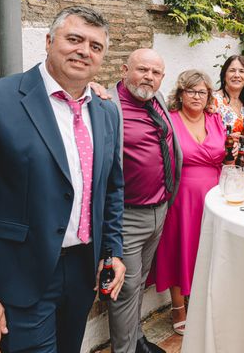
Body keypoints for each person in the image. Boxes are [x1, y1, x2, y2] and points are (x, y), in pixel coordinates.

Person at [0, 6, 125, 352]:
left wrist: (112, 251)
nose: (84, 51)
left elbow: (111, 189)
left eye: (95, 46)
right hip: (21, 273)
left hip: (83, 271)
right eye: (74, 39)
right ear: (48, 41)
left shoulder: (106, 110)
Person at [107, 49, 183, 353]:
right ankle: (123, 349)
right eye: (142, 70)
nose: (148, 77)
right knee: (125, 289)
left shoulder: (157, 98)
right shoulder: (108, 105)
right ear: (125, 70)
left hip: (159, 210)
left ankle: (136, 339)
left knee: (139, 284)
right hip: (127, 215)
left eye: (155, 72)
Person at [149, 70, 232, 336]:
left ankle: (202, 302)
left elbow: (227, 156)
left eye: (202, 92)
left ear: (209, 95)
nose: (197, 96)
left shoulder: (217, 120)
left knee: (209, 249)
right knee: (180, 248)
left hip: (215, 196)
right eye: (191, 91)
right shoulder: (170, 120)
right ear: (181, 93)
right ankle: (178, 308)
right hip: (181, 197)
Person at [213, 55, 244, 137]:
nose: (237, 75)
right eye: (232, 70)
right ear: (224, 76)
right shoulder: (213, 100)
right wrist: (227, 138)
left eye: (242, 71)